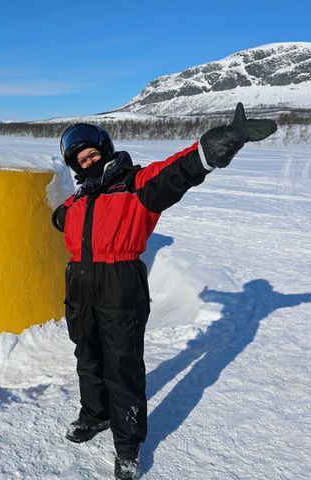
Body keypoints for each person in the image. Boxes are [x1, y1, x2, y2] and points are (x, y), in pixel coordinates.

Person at [51, 103, 277, 480]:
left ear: (105, 151)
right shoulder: (78, 199)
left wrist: (218, 145)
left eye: (92, 154)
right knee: (87, 356)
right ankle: (95, 414)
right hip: (80, 286)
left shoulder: (137, 185)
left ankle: (127, 446)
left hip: (120, 283)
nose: (88, 161)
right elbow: (61, 220)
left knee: (122, 365)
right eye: (81, 158)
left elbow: (180, 171)